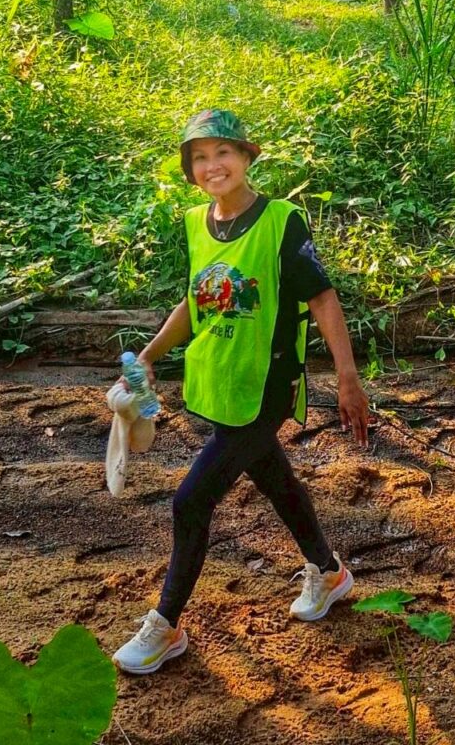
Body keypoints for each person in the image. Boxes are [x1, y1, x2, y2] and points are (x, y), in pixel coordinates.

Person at [112, 108, 369, 675]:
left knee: (190, 501)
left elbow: (322, 297)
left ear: (247, 157)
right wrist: (149, 357)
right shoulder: (196, 223)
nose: (212, 166)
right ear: (190, 170)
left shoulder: (281, 222)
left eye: (223, 152)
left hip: (267, 384)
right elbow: (195, 301)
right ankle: (328, 573)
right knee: (274, 478)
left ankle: (165, 626)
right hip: (220, 382)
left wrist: (347, 378)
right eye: (200, 158)